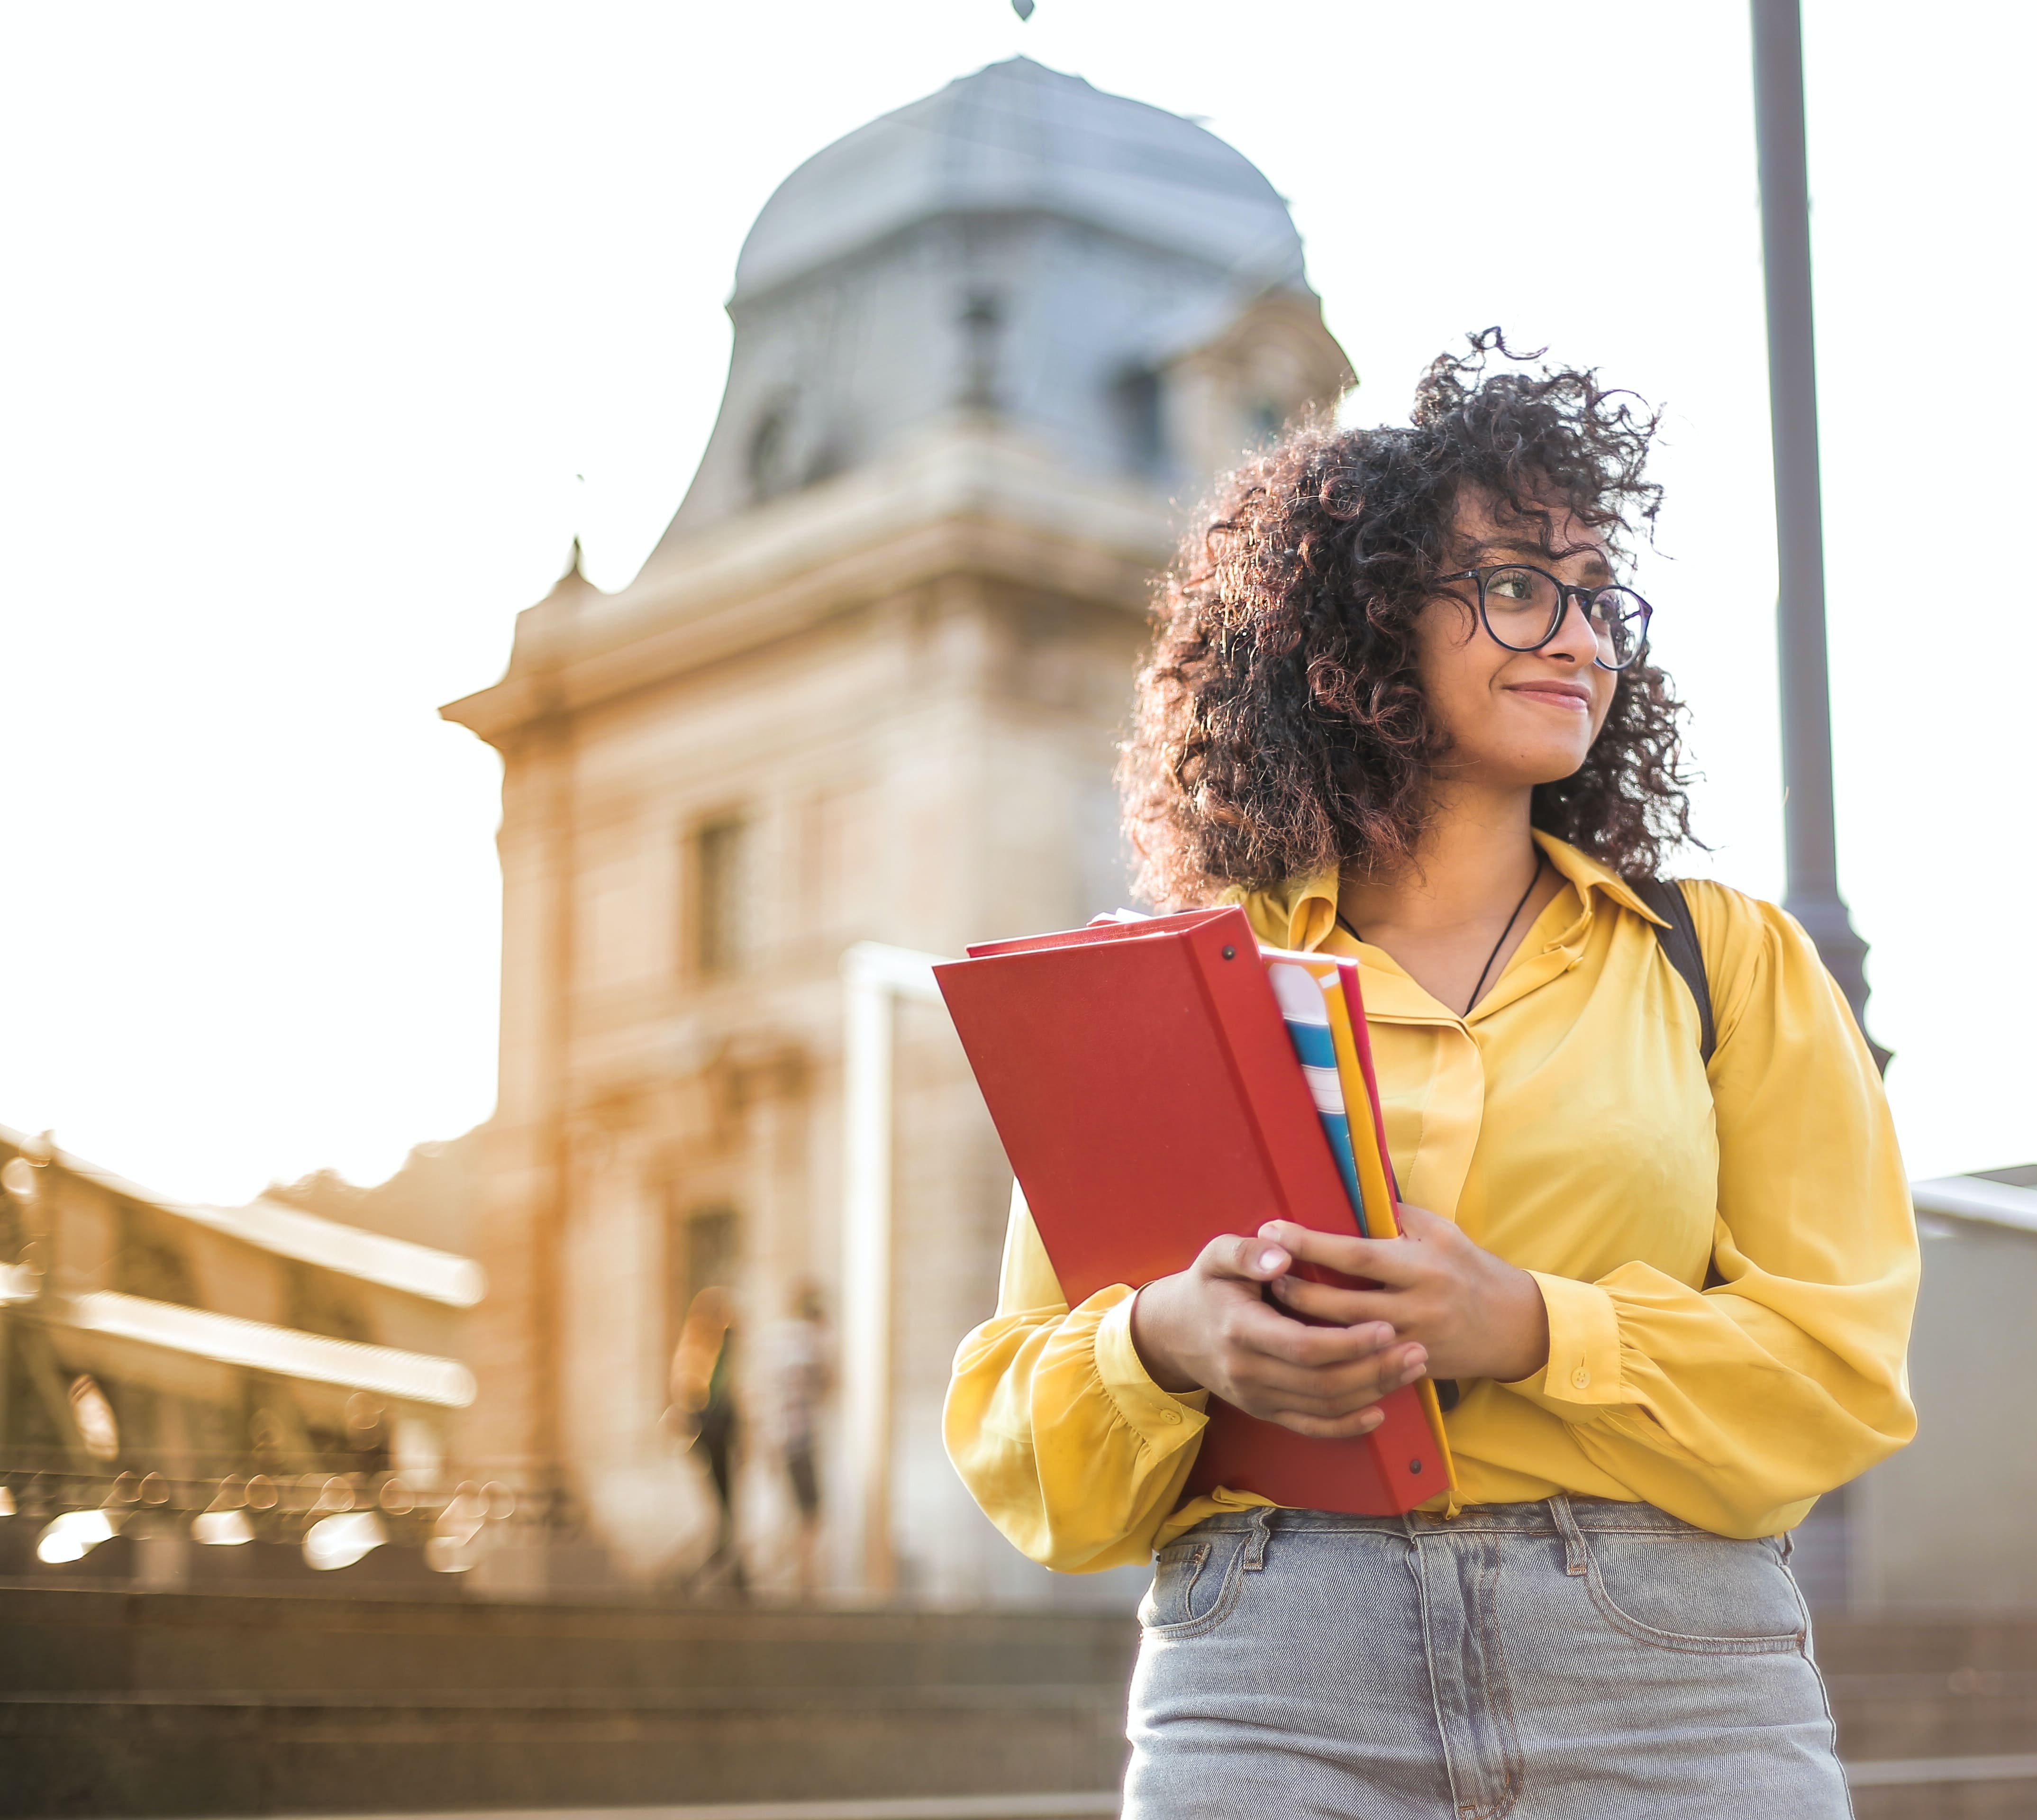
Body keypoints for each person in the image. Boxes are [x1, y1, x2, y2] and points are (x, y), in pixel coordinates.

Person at [946, 332, 1919, 1819]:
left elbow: (1841, 1372)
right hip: (1272, 1670)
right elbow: (1027, 1435)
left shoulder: (1726, 961)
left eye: (1600, 597)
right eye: (1521, 584)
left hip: (1666, 1670)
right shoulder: (1187, 986)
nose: (1583, 635)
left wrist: (1532, 1323)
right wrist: (1165, 1341)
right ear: (1362, 620)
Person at [755, 1280, 835, 1599]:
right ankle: (804, 1580)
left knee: (786, 1509)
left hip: (774, 1436)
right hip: (799, 1438)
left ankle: (784, 1578)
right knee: (810, 1512)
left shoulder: (774, 1340)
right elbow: (826, 1383)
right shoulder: (808, 1340)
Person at [669, 1285, 744, 1594]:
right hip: (710, 1434)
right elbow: (691, 1394)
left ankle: (735, 1573)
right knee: (721, 1509)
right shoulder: (698, 1351)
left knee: (727, 1508)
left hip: (721, 1434)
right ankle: (717, 1572)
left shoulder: (720, 1351)